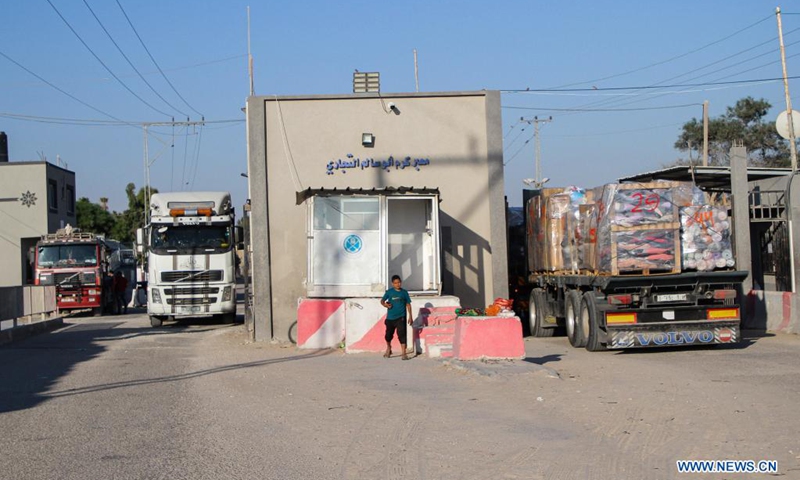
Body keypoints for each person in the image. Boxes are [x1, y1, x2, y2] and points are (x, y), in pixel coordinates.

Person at [380, 275, 413, 360]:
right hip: (390, 318)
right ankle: (389, 348)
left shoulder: (404, 292)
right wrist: (385, 305)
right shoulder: (389, 292)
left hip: (401, 317)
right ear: (392, 284)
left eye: (399, 282)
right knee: (388, 336)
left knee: (401, 334)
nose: (397, 284)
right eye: (395, 283)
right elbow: (382, 301)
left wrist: (410, 316)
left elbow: (408, 304)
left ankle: (404, 353)